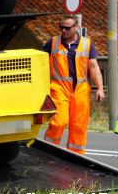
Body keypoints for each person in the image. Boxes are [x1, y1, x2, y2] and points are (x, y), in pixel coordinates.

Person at [42, 15, 105, 154]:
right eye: (61, 27)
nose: (63, 30)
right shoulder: (52, 43)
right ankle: (48, 151)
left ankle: (76, 154)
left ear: (76, 27)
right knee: (59, 122)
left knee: (79, 125)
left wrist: (100, 88)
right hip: (59, 88)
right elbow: (40, 64)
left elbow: (94, 68)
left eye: (67, 28)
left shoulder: (87, 44)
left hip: (80, 90)